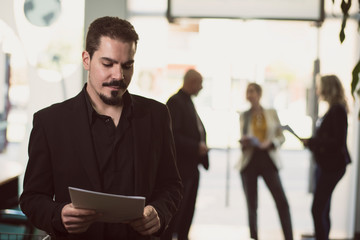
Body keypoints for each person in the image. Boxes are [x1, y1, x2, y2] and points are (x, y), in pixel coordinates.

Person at [19, 16, 183, 240]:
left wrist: (159, 213)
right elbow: (32, 198)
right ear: (86, 59)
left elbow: (171, 185)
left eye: (127, 65)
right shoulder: (50, 122)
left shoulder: (157, 115)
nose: (119, 76)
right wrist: (58, 214)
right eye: (108, 64)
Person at [238, 82, 293, 240]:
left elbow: (280, 136)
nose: (250, 94)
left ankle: (289, 236)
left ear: (259, 94)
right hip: (250, 160)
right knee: (251, 205)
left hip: (268, 158)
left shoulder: (271, 112)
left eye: (252, 91)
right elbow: (242, 135)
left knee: (281, 201)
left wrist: (270, 143)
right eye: (247, 91)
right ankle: (254, 236)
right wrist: (244, 141)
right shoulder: (244, 115)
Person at [161, 69, 209, 240]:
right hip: (181, 168)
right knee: (177, 213)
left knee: (187, 212)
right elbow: (172, 135)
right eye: (200, 83)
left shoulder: (187, 102)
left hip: (191, 168)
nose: (202, 87)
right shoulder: (175, 102)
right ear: (192, 82)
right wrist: (196, 146)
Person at [301, 75, 351, 240]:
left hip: (332, 167)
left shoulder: (337, 110)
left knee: (317, 208)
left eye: (319, 87)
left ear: (327, 88)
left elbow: (337, 141)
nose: (317, 91)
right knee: (324, 208)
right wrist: (312, 143)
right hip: (326, 165)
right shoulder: (333, 109)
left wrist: (314, 142)